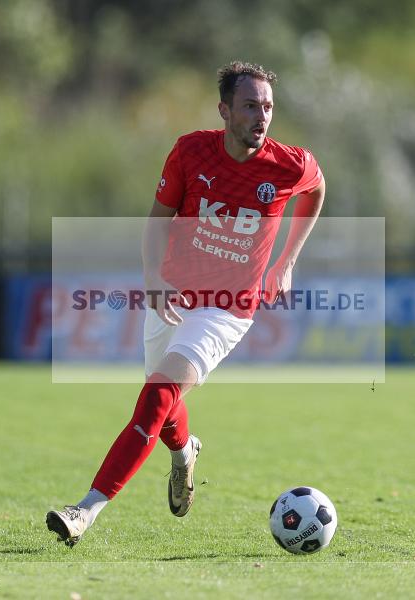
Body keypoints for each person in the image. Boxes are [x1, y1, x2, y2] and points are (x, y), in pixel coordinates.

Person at [46, 61, 326, 547]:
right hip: (172, 295)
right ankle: (184, 453)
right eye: (250, 106)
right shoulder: (191, 152)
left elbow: (316, 189)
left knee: (156, 397)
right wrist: (153, 278)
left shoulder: (289, 165)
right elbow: (158, 219)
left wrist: (287, 261)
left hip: (227, 309)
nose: (261, 116)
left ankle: (84, 511)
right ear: (224, 110)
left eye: (267, 107)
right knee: (164, 409)